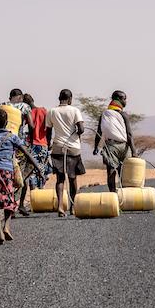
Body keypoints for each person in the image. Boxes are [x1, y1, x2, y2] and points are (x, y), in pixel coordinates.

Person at [0, 108, 42, 244]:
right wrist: (38, 168)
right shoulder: (12, 137)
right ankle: (6, 226)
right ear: (7, 122)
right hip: (7, 172)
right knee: (9, 200)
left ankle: (0, 234)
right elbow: (26, 153)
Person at [45, 89, 85, 217]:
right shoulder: (75, 111)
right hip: (73, 148)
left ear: (59, 98)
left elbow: (48, 131)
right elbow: (82, 129)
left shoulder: (52, 111)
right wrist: (76, 133)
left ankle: (61, 207)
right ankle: (72, 206)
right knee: (72, 178)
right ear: (70, 99)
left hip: (58, 147)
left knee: (60, 178)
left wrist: (48, 144)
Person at [0, 88, 34, 215]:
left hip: (3, 144)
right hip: (19, 145)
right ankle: (20, 204)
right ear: (20, 97)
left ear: (10, 97)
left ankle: (7, 203)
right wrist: (32, 140)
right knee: (23, 175)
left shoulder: (2, 105)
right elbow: (31, 125)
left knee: (8, 174)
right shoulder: (25, 106)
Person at [93, 90, 136, 192]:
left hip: (111, 147)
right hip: (124, 147)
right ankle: (123, 195)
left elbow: (99, 133)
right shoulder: (123, 114)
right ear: (119, 100)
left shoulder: (104, 114)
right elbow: (129, 134)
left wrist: (96, 147)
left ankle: (113, 196)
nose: (126, 101)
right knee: (124, 172)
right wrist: (134, 151)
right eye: (124, 99)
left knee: (111, 171)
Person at [23, 92, 52, 191]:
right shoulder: (44, 111)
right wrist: (48, 142)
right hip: (43, 144)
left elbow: (28, 128)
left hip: (32, 145)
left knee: (32, 171)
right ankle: (40, 193)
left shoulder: (28, 113)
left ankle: (34, 195)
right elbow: (49, 129)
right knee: (41, 169)